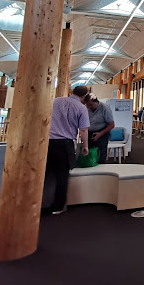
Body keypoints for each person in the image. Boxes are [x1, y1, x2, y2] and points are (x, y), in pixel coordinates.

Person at [46, 85, 90, 215]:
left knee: (44, 174)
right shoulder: (81, 108)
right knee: (62, 176)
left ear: (72, 92)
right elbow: (83, 130)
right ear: (84, 96)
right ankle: (58, 206)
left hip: (48, 142)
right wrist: (85, 146)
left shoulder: (56, 101)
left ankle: (35, 202)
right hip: (65, 144)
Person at [84, 94, 115, 164]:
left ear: (96, 102)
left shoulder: (105, 108)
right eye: (87, 105)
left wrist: (100, 134)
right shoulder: (87, 108)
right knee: (89, 154)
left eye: (90, 105)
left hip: (102, 133)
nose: (89, 107)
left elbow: (112, 125)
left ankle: (101, 170)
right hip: (90, 132)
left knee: (100, 155)